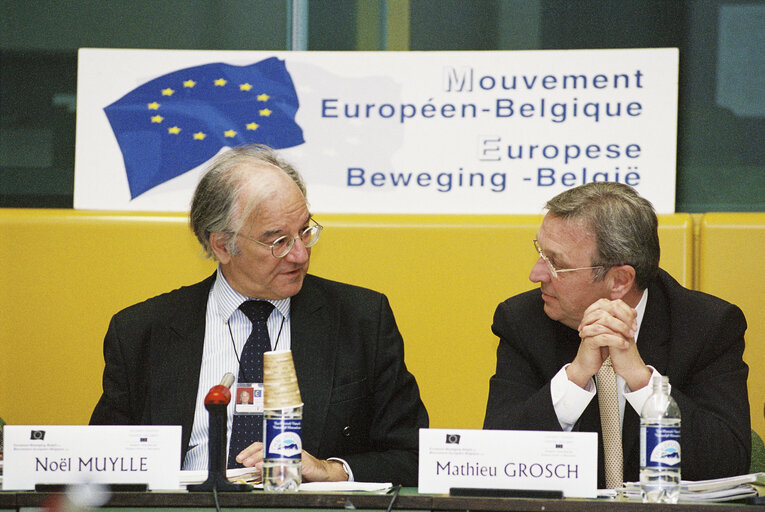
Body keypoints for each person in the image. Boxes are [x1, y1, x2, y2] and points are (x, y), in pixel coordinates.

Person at [90, 144, 428, 485]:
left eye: (304, 232)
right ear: (222, 245)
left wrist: (329, 470)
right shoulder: (141, 332)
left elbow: (414, 457)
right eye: (278, 241)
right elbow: (104, 465)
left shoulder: (361, 320)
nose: (299, 255)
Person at [483, 182, 750, 488]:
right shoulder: (523, 321)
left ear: (620, 280)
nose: (536, 274)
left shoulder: (707, 326)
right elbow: (496, 456)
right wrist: (575, 377)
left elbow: (729, 464)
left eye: (556, 264)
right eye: (541, 252)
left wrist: (641, 381)